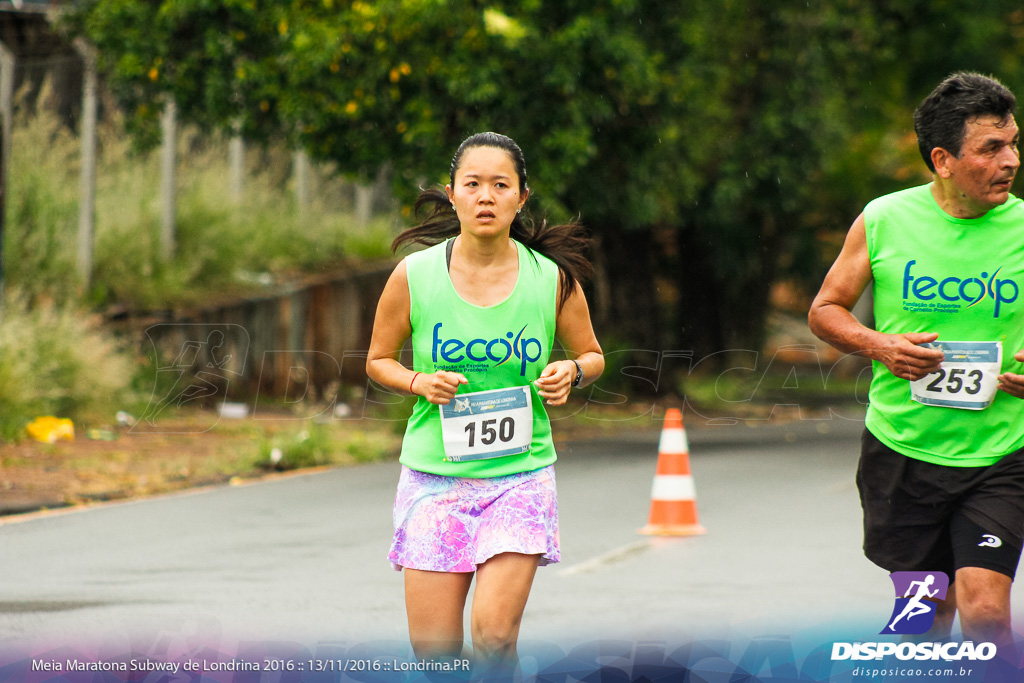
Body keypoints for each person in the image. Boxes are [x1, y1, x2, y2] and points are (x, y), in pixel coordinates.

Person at [366, 132, 604, 671]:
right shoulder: (415, 275)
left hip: (519, 477)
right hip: (434, 481)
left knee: (495, 639)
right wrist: (416, 382)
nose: (486, 196)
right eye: (472, 184)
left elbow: (591, 354)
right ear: (452, 194)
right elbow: (378, 360)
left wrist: (571, 370)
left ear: (522, 197)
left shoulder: (552, 280)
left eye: (501, 185)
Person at [808, 71, 1024, 650]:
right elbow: (826, 310)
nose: (1011, 160)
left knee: (986, 610)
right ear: (943, 159)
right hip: (904, 446)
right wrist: (879, 345)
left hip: (1002, 453)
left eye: (1013, 144)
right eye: (991, 148)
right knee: (925, 615)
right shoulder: (883, 219)